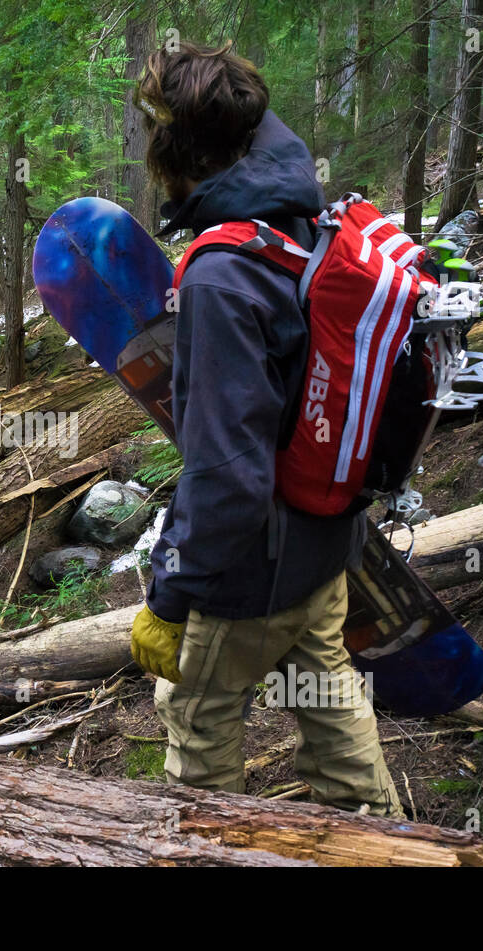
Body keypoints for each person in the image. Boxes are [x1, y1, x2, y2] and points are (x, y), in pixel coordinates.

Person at [127, 42, 403, 817]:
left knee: (199, 730)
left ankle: (208, 850)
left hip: (251, 576)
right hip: (327, 544)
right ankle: (387, 842)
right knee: (332, 710)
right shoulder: (311, 223)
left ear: (174, 148)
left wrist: (173, 597)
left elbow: (226, 472)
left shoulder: (220, 276)